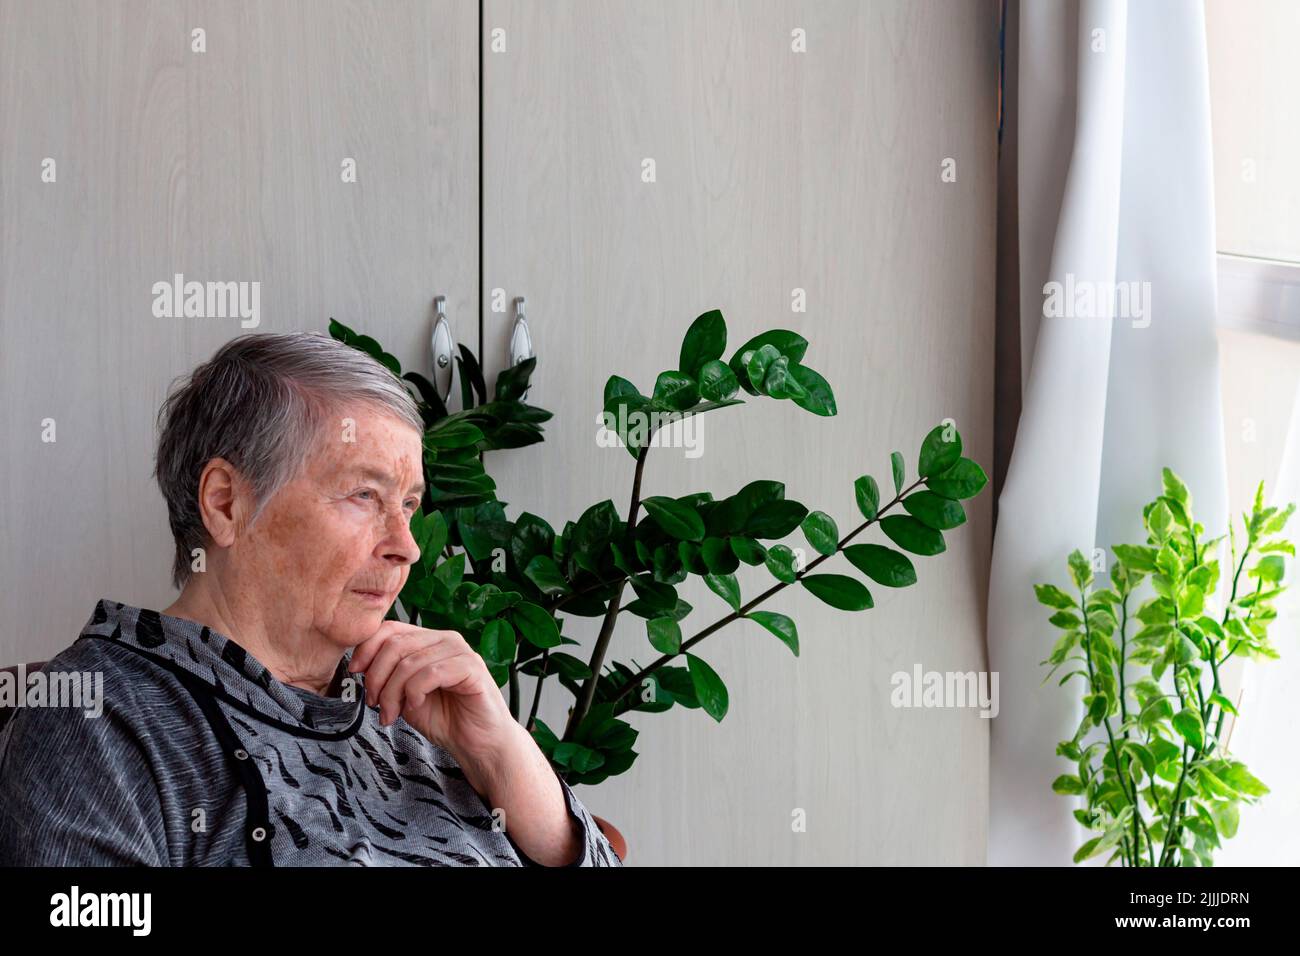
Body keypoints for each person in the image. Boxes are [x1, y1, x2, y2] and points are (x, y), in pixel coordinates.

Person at [0, 331, 622, 866]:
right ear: (227, 503)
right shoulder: (97, 719)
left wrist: (501, 749)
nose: (406, 545)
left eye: (408, 504)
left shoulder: (419, 707)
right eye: (364, 496)